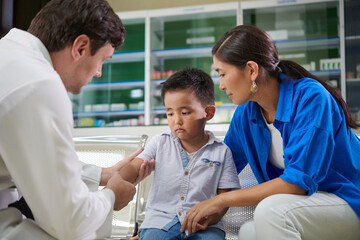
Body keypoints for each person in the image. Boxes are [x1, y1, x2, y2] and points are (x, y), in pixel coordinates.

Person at [180, 25, 360, 240]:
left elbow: (296, 184)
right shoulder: (245, 115)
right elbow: (222, 169)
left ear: (251, 70)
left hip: (349, 200)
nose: (220, 85)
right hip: (309, 207)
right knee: (249, 232)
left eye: (223, 74)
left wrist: (220, 201)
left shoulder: (310, 98)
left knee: (270, 211)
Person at [0, 0, 154, 239]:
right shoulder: (39, 84)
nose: (99, 72)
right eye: (103, 59)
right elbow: (70, 221)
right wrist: (111, 196)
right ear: (81, 47)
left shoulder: (11, 55)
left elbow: (36, 155)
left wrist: (102, 174)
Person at [121, 68, 240, 240]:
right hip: (160, 221)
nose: (176, 120)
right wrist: (119, 179)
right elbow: (135, 165)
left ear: (209, 113)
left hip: (206, 225)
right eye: (170, 113)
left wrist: (213, 218)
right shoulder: (160, 142)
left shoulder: (222, 151)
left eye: (185, 113)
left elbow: (224, 197)